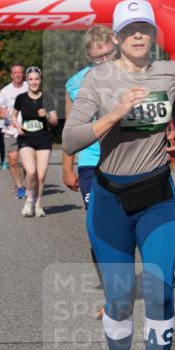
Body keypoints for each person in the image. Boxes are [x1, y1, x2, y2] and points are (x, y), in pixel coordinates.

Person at [62, 0, 175, 350]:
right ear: (117, 37)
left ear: (153, 34)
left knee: (159, 293)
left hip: (158, 198)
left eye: (145, 28)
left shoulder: (169, 72)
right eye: (129, 29)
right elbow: (69, 140)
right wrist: (115, 113)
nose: (138, 35)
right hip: (110, 201)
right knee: (118, 299)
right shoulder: (97, 80)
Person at [62, 25, 116, 318]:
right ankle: (111, 295)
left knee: (123, 227)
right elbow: (71, 129)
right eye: (97, 58)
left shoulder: (133, 73)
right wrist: (67, 166)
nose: (104, 62)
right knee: (97, 230)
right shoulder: (75, 83)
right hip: (90, 162)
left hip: (125, 160)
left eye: (108, 55)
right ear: (88, 56)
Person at [12, 66, 58, 217]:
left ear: (40, 80)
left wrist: (47, 115)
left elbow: (55, 121)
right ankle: (28, 201)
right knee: (31, 171)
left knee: (41, 175)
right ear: (27, 80)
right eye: (31, 79)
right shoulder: (21, 98)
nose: (34, 82)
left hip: (43, 138)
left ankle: (38, 205)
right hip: (26, 138)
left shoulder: (48, 98)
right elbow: (13, 115)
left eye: (36, 79)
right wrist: (18, 126)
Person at [0, 64, 28, 198]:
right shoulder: (5, 91)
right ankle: (20, 187)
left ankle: (26, 184)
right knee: (13, 160)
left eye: (20, 72)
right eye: (15, 72)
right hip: (11, 129)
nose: (18, 75)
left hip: (27, 128)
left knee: (27, 162)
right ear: (11, 75)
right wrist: (1, 113)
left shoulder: (29, 86)